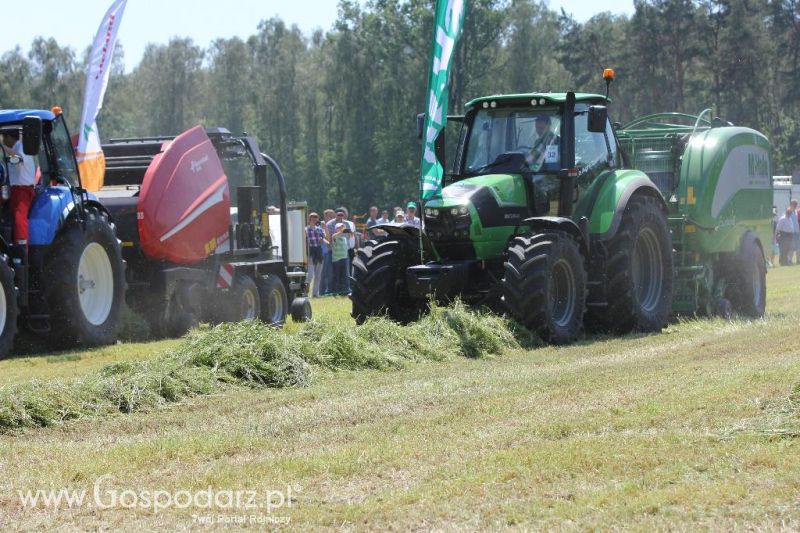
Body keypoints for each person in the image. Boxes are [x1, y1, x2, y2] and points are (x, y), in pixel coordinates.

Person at [1, 131, 37, 249]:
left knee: (19, 220)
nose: (3, 140)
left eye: (3, 138)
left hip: (23, 191)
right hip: (14, 190)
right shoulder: (16, 149)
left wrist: (2, 146)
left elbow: (18, 159)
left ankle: (22, 252)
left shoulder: (23, 148)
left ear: (9, 137)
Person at [305, 212, 327, 297]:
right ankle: (305, 292)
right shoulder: (306, 229)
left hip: (318, 251)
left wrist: (324, 229)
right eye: (312, 217)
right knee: (310, 275)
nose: (314, 219)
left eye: (316, 217)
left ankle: (315, 293)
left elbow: (325, 238)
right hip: (310, 252)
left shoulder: (320, 229)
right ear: (309, 219)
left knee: (318, 275)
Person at [331, 222, 350, 295]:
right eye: (339, 227)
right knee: (336, 277)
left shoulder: (344, 238)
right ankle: (335, 292)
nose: (341, 229)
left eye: (342, 227)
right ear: (336, 229)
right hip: (336, 260)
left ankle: (343, 292)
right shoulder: (334, 236)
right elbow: (333, 237)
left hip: (344, 259)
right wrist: (341, 231)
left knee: (344, 276)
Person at [321, 209, 336, 294]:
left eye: (333, 216)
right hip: (324, 253)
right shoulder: (322, 225)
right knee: (323, 273)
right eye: (330, 216)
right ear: (326, 216)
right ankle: (322, 291)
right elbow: (327, 239)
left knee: (330, 273)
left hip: (331, 252)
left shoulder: (332, 224)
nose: (332, 218)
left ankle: (329, 290)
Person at [791, 199, 800, 264]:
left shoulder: (797, 212)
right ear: (791, 204)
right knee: (791, 247)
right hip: (791, 232)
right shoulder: (789, 211)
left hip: (797, 232)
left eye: (796, 204)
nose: (795, 205)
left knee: (798, 247)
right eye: (794, 203)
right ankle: (790, 260)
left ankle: (798, 260)